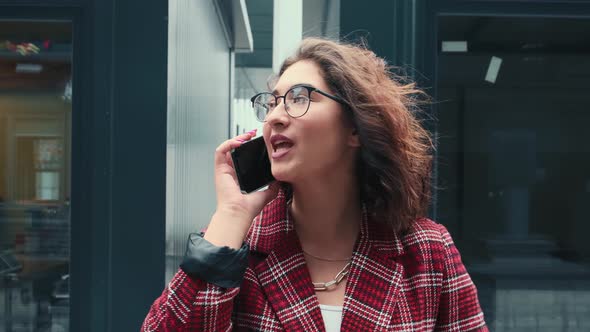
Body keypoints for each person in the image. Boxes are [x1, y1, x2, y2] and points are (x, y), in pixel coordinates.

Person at [142, 37, 488, 331]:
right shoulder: (235, 246)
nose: (276, 115)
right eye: (273, 101)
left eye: (299, 97)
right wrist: (231, 214)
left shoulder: (426, 251)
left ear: (356, 127)